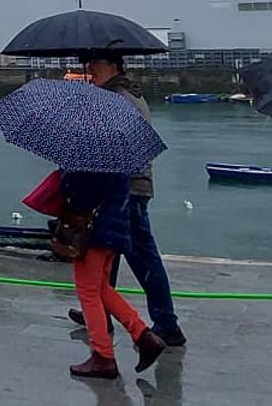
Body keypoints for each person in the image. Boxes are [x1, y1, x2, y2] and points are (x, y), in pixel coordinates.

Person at [68, 51, 185, 347]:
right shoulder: (123, 94)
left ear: (113, 66)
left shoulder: (118, 98)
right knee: (109, 253)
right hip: (128, 184)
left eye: (96, 62)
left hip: (126, 188)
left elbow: (113, 145)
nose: (90, 67)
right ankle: (99, 310)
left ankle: (166, 323)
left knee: (142, 254)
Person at [61, 169, 167, 379]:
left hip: (94, 231)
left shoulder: (92, 158)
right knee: (102, 288)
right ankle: (143, 336)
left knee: (88, 291)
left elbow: (80, 195)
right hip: (113, 230)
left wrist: (65, 176)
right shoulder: (118, 158)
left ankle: (103, 356)